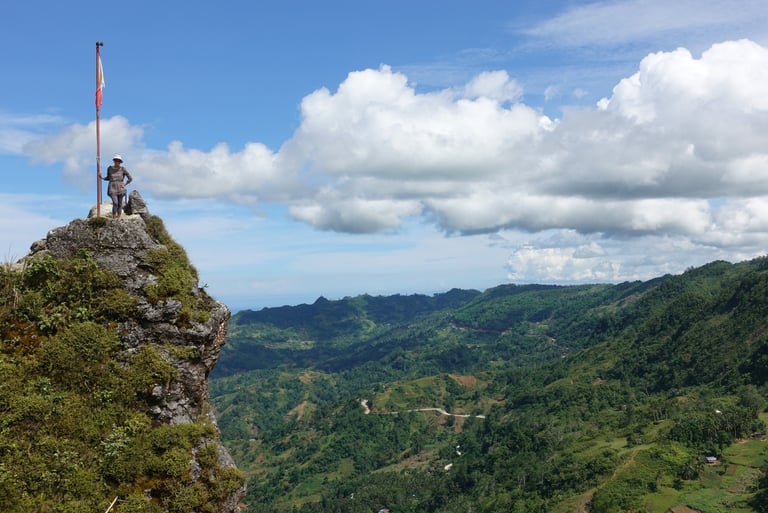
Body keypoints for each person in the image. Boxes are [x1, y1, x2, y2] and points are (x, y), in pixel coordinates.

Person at [99, 154, 133, 218]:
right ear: (114, 161)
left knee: (120, 204)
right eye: (116, 160)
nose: (117, 162)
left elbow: (130, 178)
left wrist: (125, 184)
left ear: (120, 162)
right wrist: (102, 178)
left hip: (120, 188)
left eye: (118, 161)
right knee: (115, 203)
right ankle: (114, 217)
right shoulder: (109, 168)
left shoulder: (123, 169)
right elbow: (109, 177)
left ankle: (119, 217)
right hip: (112, 187)